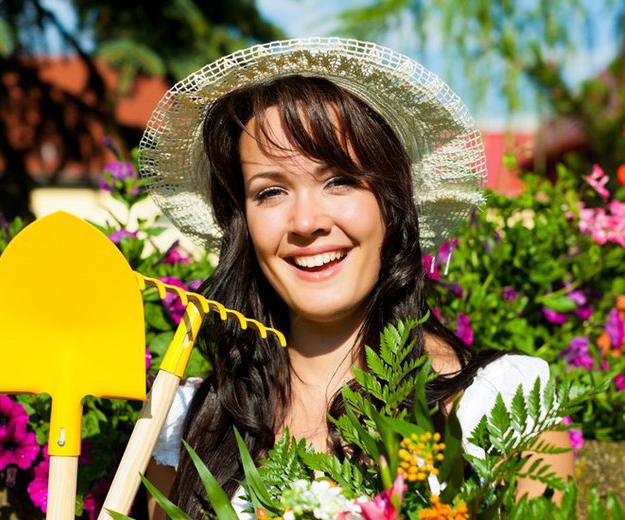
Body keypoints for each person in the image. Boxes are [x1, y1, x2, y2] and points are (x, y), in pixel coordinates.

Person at [138, 38, 573, 519]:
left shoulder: (502, 405)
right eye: (272, 191)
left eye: (339, 180)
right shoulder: (190, 423)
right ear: (242, 221)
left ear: (391, 203)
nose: (306, 222)